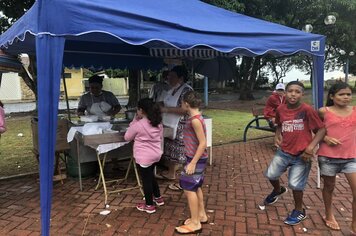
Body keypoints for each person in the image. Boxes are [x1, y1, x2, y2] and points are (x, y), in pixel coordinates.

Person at [263, 81, 325, 225]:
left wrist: (311, 147)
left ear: (302, 94)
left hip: (302, 154)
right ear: (284, 93)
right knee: (271, 174)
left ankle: (299, 210)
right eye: (290, 91)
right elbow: (279, 123)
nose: (293, 94)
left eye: (297, 91)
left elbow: (321, 130)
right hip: (284, 151)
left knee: (296, 185)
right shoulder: (281, 109)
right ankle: (278, 190)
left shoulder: (307, 110)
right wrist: (277, 134)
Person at [317, 82, 356, 232]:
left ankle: (354, 223)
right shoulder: (323, 111)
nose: (345, 97)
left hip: (351, 157)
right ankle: (329, 214)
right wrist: (325, 138)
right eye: (341, 94)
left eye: (348, 94)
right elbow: (315, 128)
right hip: (328, 158)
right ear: (332, 96)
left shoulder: (355, 110)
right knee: (329, 187)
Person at [175, 91, 208, 234]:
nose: (181, 105)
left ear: (187, 104)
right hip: (194, 158)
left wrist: (193, 162)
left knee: (188, 188)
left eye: (182, 103)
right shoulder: (194, 117)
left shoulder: (195, 120)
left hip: (196, 159)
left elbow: (203, 143)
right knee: (196, 186)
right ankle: (201, 215)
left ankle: (195, 223)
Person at [124, 98, 164, 214]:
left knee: (146, 180)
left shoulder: (139, 124)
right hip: (156, 154)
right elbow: (160, 137)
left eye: (138, 109)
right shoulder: (157, 122)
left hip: (144, 156)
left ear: (141, 110)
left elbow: (127, 137)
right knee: (151, 176)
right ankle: (158, 198)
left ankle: (149, 205)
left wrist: (135, 121)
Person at [158, 65, 193, 182]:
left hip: (182, 126)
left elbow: (186, 110)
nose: (169, 78)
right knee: (171, 151)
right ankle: (171, 173)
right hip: (169, 123)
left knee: (182, 153)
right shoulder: (172, 89)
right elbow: (165, 102)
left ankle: (186, 179)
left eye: (172, 76)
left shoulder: (187, 91)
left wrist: (166, 110)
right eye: (169, 76)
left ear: (181, 78)